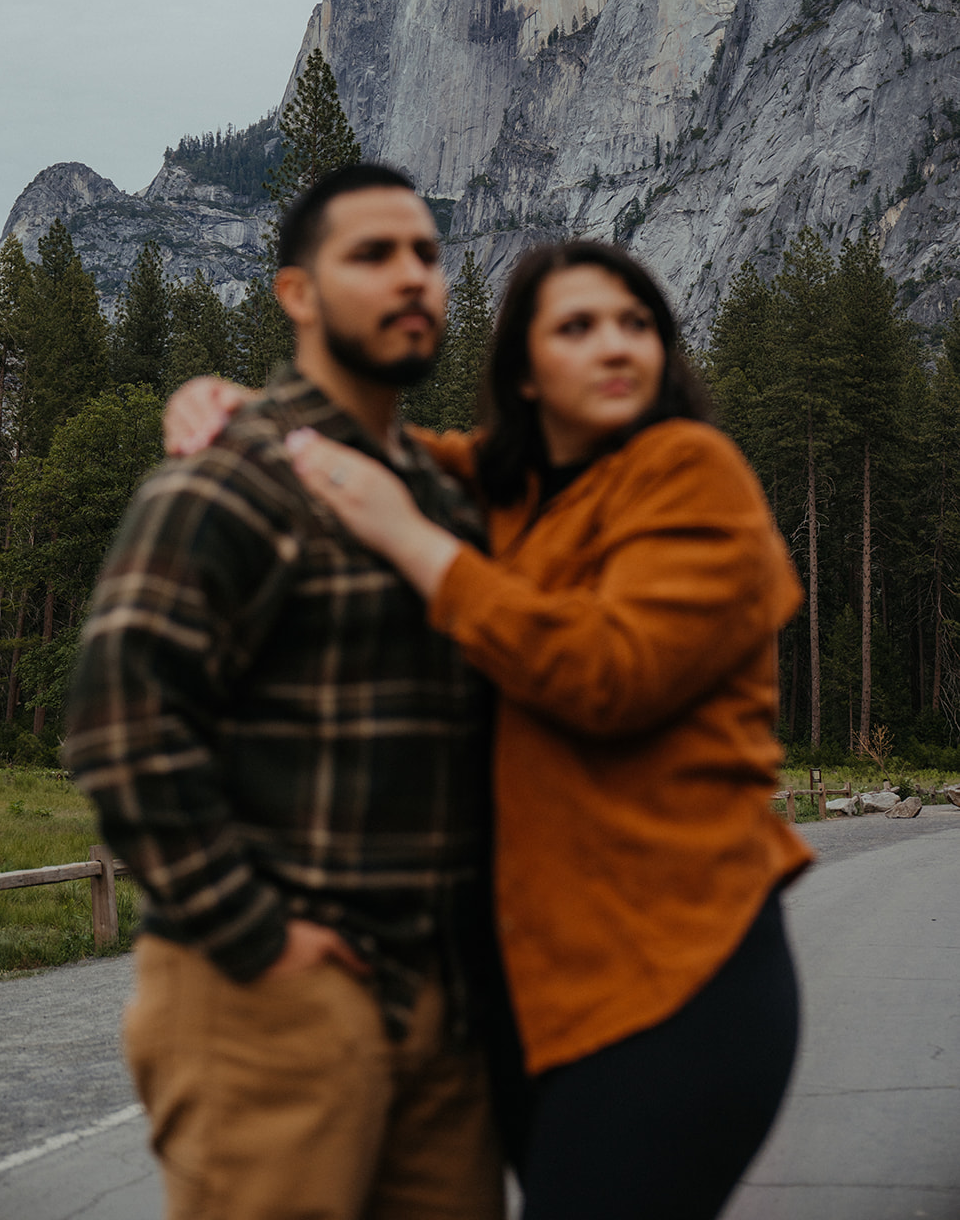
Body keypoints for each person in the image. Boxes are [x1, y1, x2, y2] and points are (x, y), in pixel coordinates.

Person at [170, 238, 814, 1220]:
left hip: (677, 980)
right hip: (534, 1001)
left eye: (636, 323)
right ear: (522, 369)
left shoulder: (693, 471)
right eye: (576, 326)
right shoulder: (506, 488)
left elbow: (608, 671)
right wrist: (231, 405)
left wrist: (413, 541)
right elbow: (375, 453)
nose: (614, 345)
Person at [64, 163, 506, 1220]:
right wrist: (258, 939)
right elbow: (118, 720)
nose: (411, 277)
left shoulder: (442, 504)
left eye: (427, 255)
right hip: (272, 1002)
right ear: (295, 294)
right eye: (371, 254)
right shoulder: (231, 477)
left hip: (442, 1016)